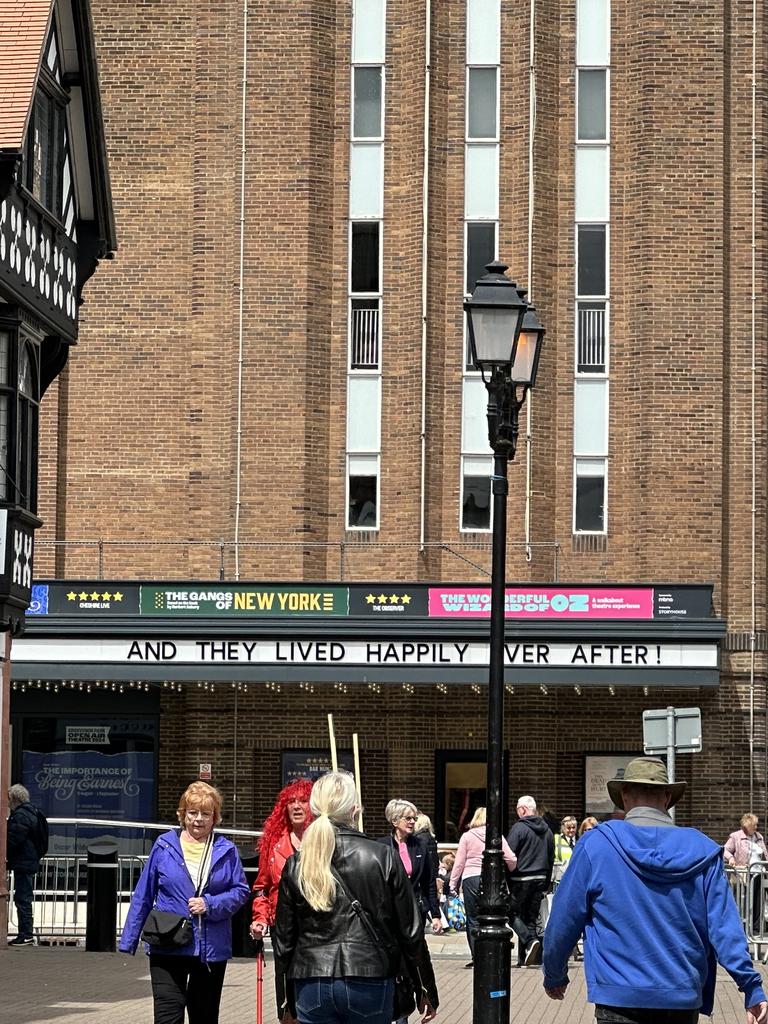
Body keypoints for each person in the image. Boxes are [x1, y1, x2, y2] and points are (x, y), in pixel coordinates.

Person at [542, 756, 768, 1024]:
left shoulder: (597, 845)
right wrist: (751, 986)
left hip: (618, 994)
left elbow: (564, 918)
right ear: (667, 798)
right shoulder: (702, 849)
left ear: (624, 796)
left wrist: (554, 974)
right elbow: (724, 927)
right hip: (680, 994)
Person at [272, 771, 439, 1024]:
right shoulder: (382, 856)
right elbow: (410, 932)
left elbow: (284, 940)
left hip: (311, 978)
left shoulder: (298, 863)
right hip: (369, 975)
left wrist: (284, 1000)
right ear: (355, 809)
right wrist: (424, 988)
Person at [119, 782, 250, 1024]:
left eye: (206, 814)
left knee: (204, 1016)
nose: (198, 819)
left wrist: (210, 904)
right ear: (183, 814)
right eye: (192, 812)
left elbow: (240, 891)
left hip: (210, 948)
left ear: (215, 818)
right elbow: (143, 894)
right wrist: (128, 939)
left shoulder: (226, 850)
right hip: (168, 943)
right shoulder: (164, 845)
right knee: (168, 1015)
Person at [449, 806, 517, 968]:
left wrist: (452, 884)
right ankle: (491, 954)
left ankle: (477, 956)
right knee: (493, 918)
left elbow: (459, 863)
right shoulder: (496, 836)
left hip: (470, 878)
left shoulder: (467, 836)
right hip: (491, 879)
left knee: (473, 919)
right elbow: (511, 858)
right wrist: (509, 871)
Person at [250, 779, 313, 939]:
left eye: (304, 801)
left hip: (316, 925)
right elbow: (261, 888)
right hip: (282, 924)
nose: (297, 806)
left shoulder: (324, 840)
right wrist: (260, 918)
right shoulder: (273, 842)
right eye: (291, 802)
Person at [379, 799, 442, 934]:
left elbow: (428, 882)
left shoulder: (420, 845)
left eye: (414, 818)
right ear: (395, 821)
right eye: (408, 818)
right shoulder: (381, 846)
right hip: (390, 911)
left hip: (415, 909)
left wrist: (436, 915)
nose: (413, 822)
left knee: (416, 951)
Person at [506, 794, 553, 968]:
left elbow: (509, 855)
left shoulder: (519, 828)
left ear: (523, 810)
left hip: (521, 878)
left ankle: (529, 940)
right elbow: (550, 856)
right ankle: (526, 958)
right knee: (530, 919)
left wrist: (506, 878)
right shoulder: (547, 830)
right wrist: (546, 883)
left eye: (518, 810)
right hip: (540, 878)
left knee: (511, 914)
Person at [6, 783, 47, 946]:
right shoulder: (33, 812)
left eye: (9, 799)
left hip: (24, 861)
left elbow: (13, 840)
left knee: (22, 898)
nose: (8, 803)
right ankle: (25, 933)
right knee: (24, 897)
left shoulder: (21, 815)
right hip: (29, 860)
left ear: (14, 799)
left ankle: (26, 934)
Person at [724, 813, 768, 934]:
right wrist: (731, 859)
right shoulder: (736, 836)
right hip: (744, 874)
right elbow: (725, 850)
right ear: (746, 825)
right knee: (744, 902)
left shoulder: (758, 836)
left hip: (759, 872)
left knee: (759, 901)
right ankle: (742, 928)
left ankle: (756, 929)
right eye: (753, 825)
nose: (756, 827)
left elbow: (764, 853)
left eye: (756, 825)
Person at [553, 815, 577, 882]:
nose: (571, 830)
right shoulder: (556, 840)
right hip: (560, 878)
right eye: (568, 828)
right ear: (563, 828)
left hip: (576, 877)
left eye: (573, 827)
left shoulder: (580, 840)